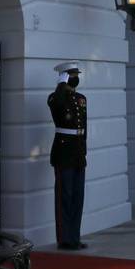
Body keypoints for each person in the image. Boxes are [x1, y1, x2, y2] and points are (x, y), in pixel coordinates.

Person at [49, 61, 88, 250]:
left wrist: (84, 151)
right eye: (72, 75)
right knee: (65, 196)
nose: (76, 78)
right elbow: (57, 103)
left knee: (78, 197)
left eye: (76, 74)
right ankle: (64, 239)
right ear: (64, 77)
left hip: (78, 152)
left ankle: (75, 237)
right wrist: (60, 85)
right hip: (63, 152)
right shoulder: (55, 98)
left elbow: (83, 128)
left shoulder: (81, 98)